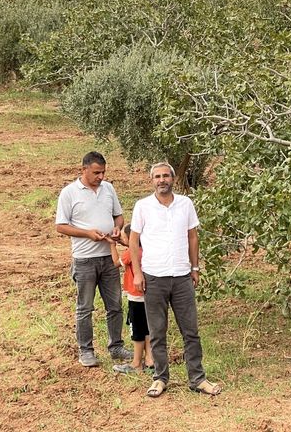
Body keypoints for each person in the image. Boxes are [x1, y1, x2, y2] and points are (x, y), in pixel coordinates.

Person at [130, 162, 221, 397]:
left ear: (172, 178)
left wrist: (195, 267)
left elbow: (192, 237)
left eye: (166, 176)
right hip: (153, 277)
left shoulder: (185, 204)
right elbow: (133, 241)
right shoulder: (143, 206)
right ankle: (160, 378)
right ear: (152, 181)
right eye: (157, 176)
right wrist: (138, 273)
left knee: (190, 331)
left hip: (181, 276)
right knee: (158, 332)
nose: (162, 180)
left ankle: (197, 378)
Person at [56, 151, 132, 367]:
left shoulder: (108, 189)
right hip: (85, 259)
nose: (101, 177)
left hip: (109, 257)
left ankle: (116, 346)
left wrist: (117, 228)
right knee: (85, 307)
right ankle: (86, 350)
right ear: (84, 169)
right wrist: (87, 233)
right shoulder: (69, 193)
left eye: (103, 172)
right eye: (96, 172)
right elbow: (60, 226)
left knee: (115, 305)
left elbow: (118, 215)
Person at [110, 224, 154, 374]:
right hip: (148, 295)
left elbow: (116, 262)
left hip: (135, 296)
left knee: (137, 330)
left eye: (123, 237)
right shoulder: (147, 250)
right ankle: (150, 359)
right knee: (148, 328)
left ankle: (136, 363)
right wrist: (125, 242)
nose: (121, 239)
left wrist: (111, 245)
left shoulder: (131, 253)